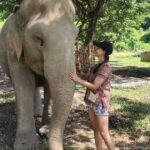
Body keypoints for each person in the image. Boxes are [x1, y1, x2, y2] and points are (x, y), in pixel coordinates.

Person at [70, 40, 115, 150]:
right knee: (96, 130)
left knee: (104, 133)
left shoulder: (106, 67)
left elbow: (94, 86)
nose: (96, 49)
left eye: (98, 48)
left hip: (100, 103)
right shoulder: (96, 66)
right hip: (91, 102)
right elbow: (87, 77)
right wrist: (79, 68)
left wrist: (77, 80)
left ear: (104, 51)